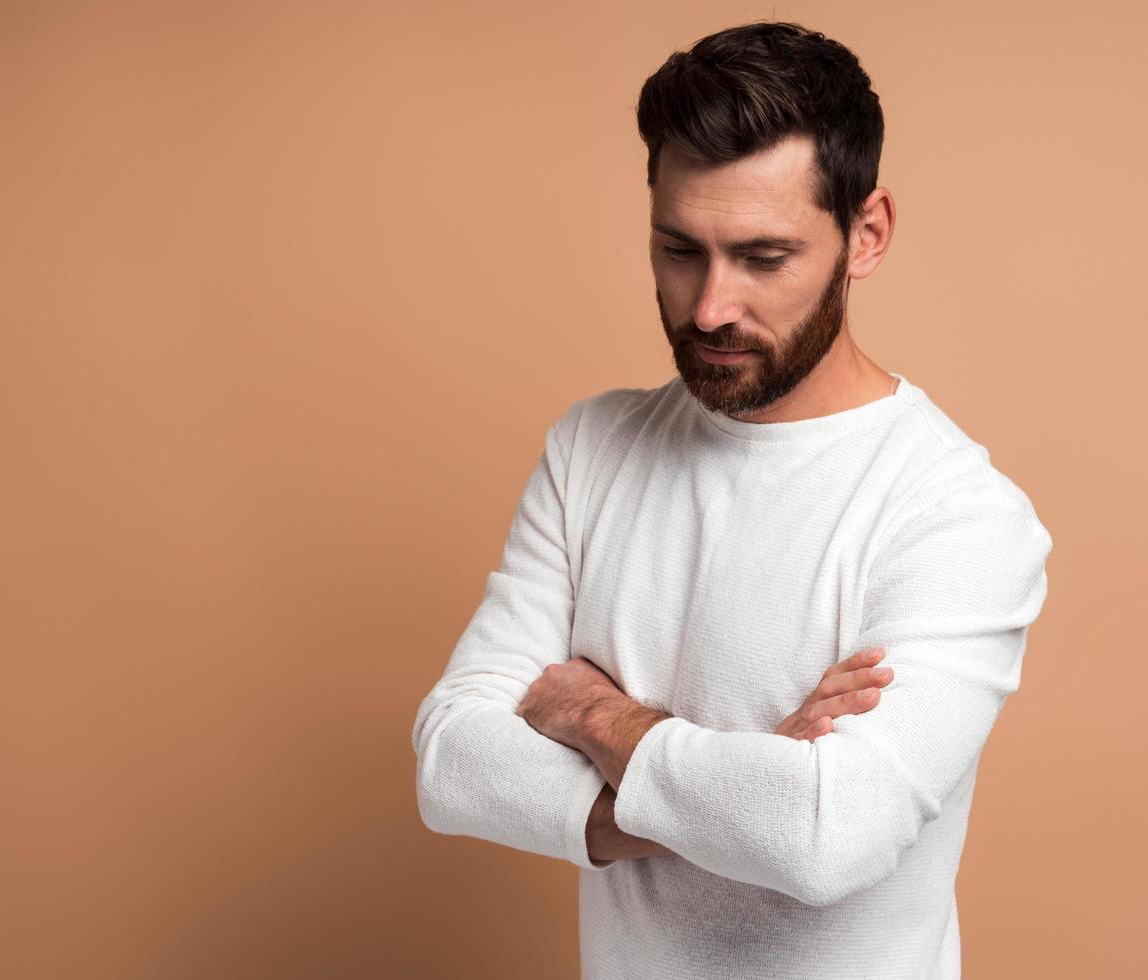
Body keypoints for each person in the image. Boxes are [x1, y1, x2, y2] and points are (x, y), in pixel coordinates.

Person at [411, 20, 1053, 980]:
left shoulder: (955, 514)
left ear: (865, 235)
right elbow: (452, 765)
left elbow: (825, 836)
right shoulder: (593, 448)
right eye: (680, 249)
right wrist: (751, 782)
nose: (709, 307)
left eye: (763, 258)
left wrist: (605, 724)